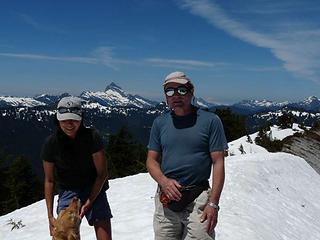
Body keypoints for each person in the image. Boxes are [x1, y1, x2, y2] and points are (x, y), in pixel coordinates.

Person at [146, 71, 228, 239]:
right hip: (166, 198)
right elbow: (151, 160)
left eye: (181, 90)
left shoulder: (210, 121)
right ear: (166, 96)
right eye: (170, 91)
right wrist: (164, 181)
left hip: (199, 197)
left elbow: (218, 162)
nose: (175, 95)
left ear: (191, 92)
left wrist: (213, 203)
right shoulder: (160, 123)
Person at [41, 96, 112, 240]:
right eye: (64, 120)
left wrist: (89, 201)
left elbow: (102, 173)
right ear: (58, 119)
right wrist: (50, 217)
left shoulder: (92, 137)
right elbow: (49, 180)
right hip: (68, 190)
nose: (69, 124)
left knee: (103, 231)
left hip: (94, 187)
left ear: (81, 119)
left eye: (74, 119)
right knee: (63, 235)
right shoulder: (51, 144)